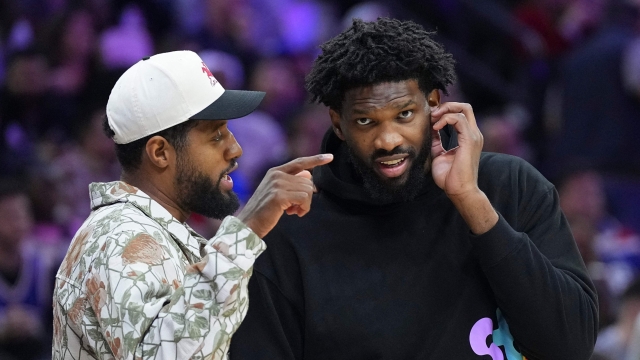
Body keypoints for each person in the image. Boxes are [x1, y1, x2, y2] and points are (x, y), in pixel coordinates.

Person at [230, 18, 597, 360]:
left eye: (404, 115)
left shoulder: (509, 185)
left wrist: (471, 201)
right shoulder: (294, 226)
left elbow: (569, 346)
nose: (388, 140)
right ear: (338, 124)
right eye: (365, 121)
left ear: (434, 104)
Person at [51, 50, 333, 360]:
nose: (235, 149)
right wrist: (246, 229)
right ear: (160, 152)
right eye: (216, 136)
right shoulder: (122, 238)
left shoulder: (148, 230)